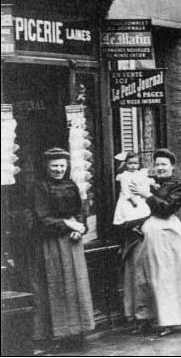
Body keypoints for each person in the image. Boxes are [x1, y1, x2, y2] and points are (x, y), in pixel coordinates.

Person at [129, 148, 181, 337]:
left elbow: (167, 209)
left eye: (164, 164)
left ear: (172, 166)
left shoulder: (179, 186)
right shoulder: (148, 181)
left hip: (165, 232)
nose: (160, 168)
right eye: (157, 164)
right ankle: (145, 318)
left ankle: (168, 320)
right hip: (145, 232)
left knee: (165, 276)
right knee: (143, 277)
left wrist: (147, 195)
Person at [32, 148, 94, 349]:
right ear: (46, 167)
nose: (58, 169)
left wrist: (80, 229)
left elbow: (80, 211)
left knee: (76, 286)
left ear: (67, 166)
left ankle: (77, 332)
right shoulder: (40, 187)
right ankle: (59, 335)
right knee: (57, 286)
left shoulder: (71, 184)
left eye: (61, 165)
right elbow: (43, 218)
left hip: (72, 243)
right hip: (52, 242)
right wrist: (68, 225)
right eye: (54, 166)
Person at [113, 152, 153, 227]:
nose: (133, 166)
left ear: (139, 164)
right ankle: (130, 228)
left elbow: (146, 180)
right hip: (128, 199)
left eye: (135, 163)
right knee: (129, 215)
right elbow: (125, 189)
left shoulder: (139, 173)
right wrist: (132, 200)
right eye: (130, 163)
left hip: (138, 197)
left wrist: (153, 184)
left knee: (142, 214)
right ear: (126, 164)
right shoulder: (125, 175)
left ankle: (138, 227)